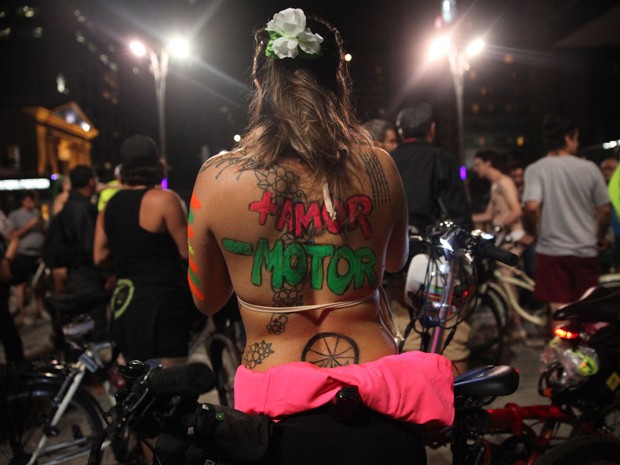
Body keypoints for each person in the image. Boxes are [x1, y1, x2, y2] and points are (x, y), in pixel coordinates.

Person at [187, 8, 453, 465]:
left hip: (274, 416)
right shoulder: (379, 167)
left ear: (259, 87)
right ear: (338, 83)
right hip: (379, 400)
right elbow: (393, 262)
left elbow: (207, 300)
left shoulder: (216, 179)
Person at [94, 135, 195, 368]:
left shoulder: (110, 205)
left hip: (125, 303)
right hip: (162, 303)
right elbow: (187, 252)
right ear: (156, 164)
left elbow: (98, 256)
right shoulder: (165, 200)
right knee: (172, 384)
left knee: (138, 387)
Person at [388, 102, 473, 374]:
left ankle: (413, 399)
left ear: (401, 132)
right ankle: (455, 404)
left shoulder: (388, 161)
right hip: (438, 263)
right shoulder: (443, 159)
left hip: (398, 261)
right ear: (432, 129)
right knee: (451, 335)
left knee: (407, 328)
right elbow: (460, 216)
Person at [522, 114, 611, 326]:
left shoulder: (537, 169)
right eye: (577, 138)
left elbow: (531, 207)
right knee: (587, 311)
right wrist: (598, 236)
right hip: (585, 251)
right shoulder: (589, 168)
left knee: (560, 313)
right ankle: (588, 356)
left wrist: (535, 232)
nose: (578, 143)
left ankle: (564, 356)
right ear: (569, 138)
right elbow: (605, 210)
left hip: (551, 252)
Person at [472, 148, 531, 340]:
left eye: (478, 163)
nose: (476, 168)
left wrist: (499, 227)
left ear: (488, 163)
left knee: (507, 279)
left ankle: (517, 325)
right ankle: (511, 323)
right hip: (503, 238)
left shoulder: (505, 182)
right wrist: (466, 218)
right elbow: (490, 215)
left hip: (512, 238)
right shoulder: (495, 185)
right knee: (502, 281)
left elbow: (516, 210)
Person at [6, 190, 47, 325]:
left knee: (39, 284)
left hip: (38, 254)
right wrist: (29, 226)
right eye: (29, 200)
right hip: (23, 253)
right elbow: (11, 235)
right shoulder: (15, 215)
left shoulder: (37, 213)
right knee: (21, 284)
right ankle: (23, 313)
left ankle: (40, 310)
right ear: (23, 201)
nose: (31, 203)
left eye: (33, 200)